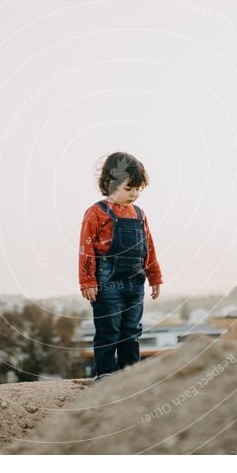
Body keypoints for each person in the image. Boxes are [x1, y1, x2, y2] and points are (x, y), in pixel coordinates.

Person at [78, 152, 163, 381]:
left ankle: (129, 376)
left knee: (131, 331)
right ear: (109, 184)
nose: (134, 194)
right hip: (108, 282)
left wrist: (154, 276)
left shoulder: (139, 214)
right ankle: (104, 374)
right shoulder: (96, 213)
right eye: (128, 189)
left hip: (135, 282)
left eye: (138, 189)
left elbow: (148, 247)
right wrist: (87, 281)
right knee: (109, 331)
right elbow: (86, 248)